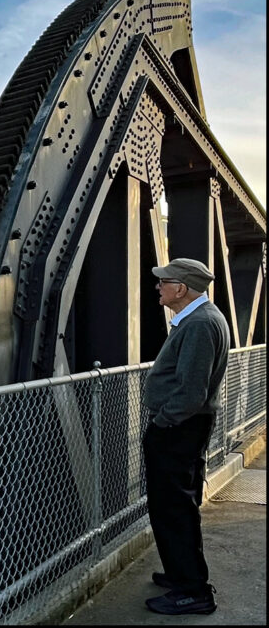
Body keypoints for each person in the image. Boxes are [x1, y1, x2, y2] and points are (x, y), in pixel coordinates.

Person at [142, 257, 229, 615]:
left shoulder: (198, 324)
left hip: (178, 429)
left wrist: (162, 422)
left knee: (173, 508)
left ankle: (193, 591)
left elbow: (192, 392)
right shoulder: (202, 319)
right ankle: (181, 575)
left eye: (164, 282)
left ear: (181, 289)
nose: (158, 286)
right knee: (177, 505)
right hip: (184, 428)